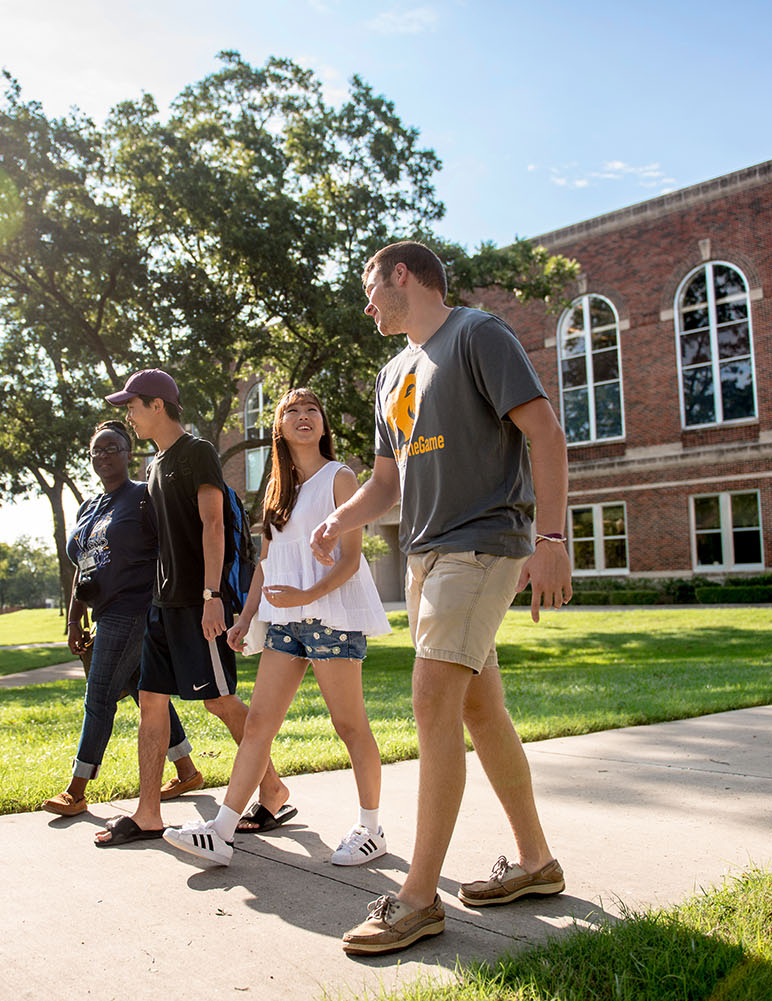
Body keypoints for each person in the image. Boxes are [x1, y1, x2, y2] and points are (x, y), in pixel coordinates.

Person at [311, 241, 573, 956]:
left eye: (370, 286)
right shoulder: (391, 373)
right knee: (481, 709)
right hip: (425, 556)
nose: (365, 304)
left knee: (432, 700)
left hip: (481, 542)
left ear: (403, 275)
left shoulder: (477, 334)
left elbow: (543, 432)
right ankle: (534, 861)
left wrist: (550, 536)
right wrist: (342, 517)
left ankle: (418, 898)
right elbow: (387, 482)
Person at [162, 388, 392, 867]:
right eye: (292, 411)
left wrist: (307, 596)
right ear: (279, 428)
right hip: (284, 621)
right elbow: (265, 564)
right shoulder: (275, 490)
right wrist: (246, 618)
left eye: (313, 409)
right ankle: (221, 832)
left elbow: (351, 560)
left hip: (330, 617)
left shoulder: (341, 478)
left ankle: (371, 829)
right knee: (259, 726)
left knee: (348, 725)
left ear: (323, 426)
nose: (304, 416)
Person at [94, 369, 289, 846]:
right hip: (161, 605)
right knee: (151, 702)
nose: (129, 416)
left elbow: (213, 526)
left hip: (196, 604)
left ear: (158, 405)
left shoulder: (197, 453)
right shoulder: (155, 464)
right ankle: (148, 814)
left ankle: (273, 788)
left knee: (218, 700)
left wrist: (211, 597)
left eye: (133, 407)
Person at [41, 420, 203, 818]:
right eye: (96, 450)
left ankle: (76, 789)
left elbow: (175, 546)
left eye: (111, 448)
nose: (103, 456)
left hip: (135, 610)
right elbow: (83, 567)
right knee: (137, 686)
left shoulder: (144, 497)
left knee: (98, 697)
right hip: (103, 611)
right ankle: (186, 770)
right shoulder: (89, 507)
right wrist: (74, 619)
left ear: (129, 453)